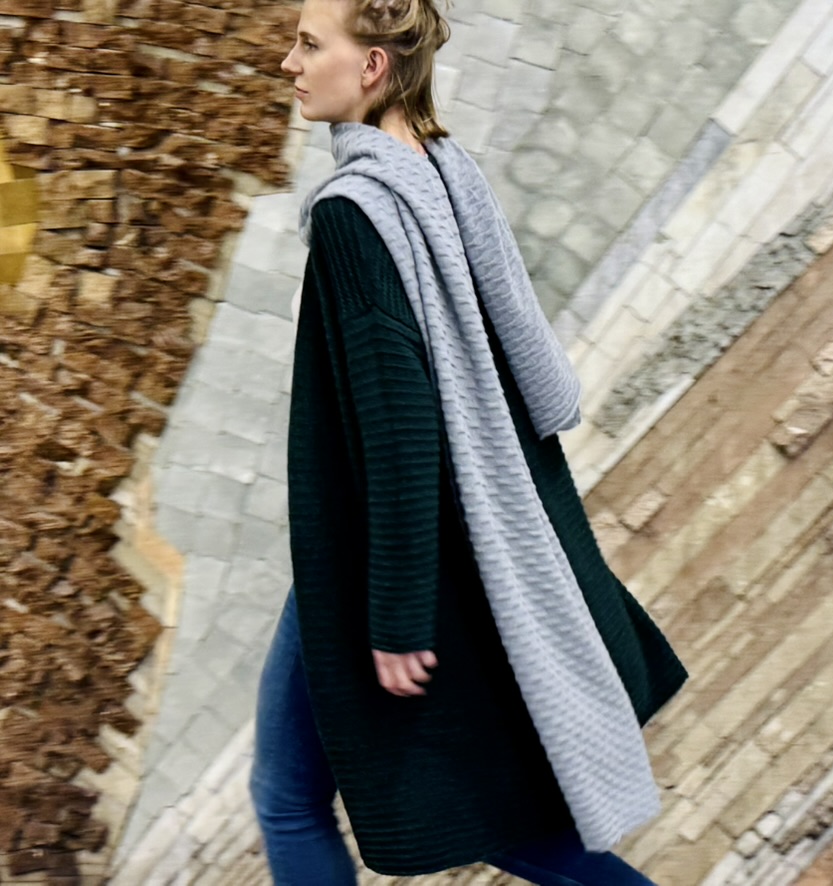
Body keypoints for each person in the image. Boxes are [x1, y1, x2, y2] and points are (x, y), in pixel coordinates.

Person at [248, 0, 688, 883]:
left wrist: (396, 617)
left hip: (396, 565)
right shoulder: (446, 172)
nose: (289, 63)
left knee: (311, 800)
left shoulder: (354, 214)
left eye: (309, 44)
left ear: (371, 66)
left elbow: (399, 423)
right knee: (346, 795)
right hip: (454, 544)